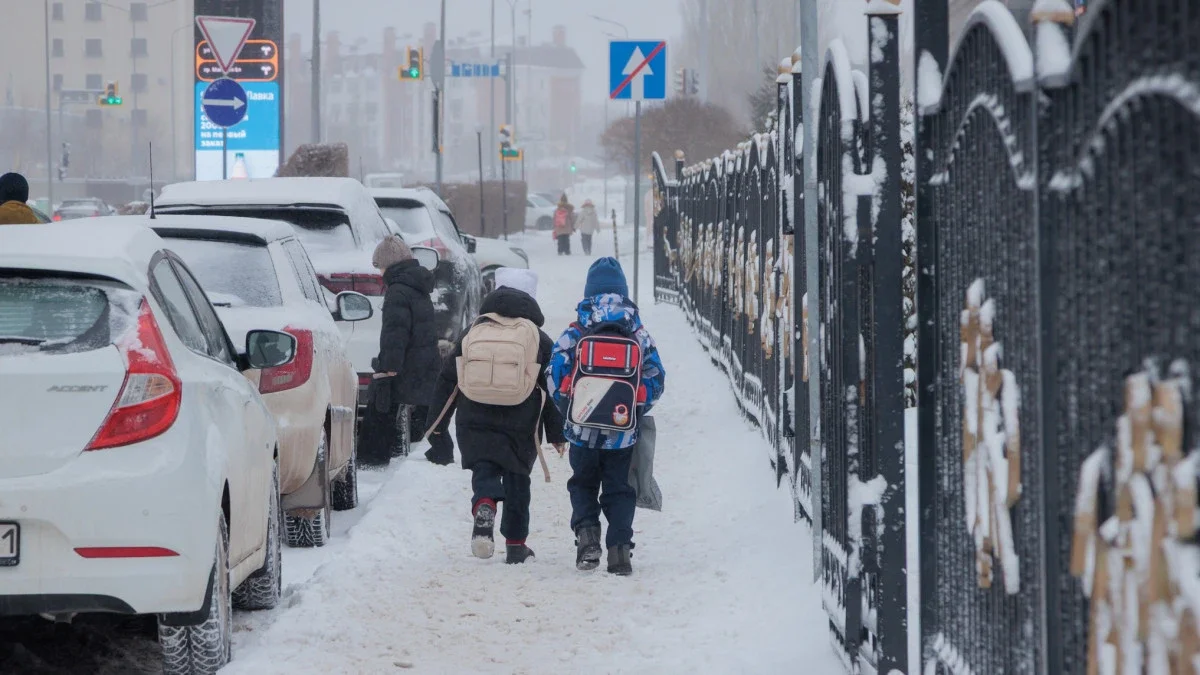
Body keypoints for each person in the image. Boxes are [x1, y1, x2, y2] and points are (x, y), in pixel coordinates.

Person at [426, 268, 567, 564]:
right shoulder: (538, 338)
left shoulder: (473, 330)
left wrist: (436, 426)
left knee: (485, 469)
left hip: (474, 419)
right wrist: (557, 433)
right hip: (521, 423)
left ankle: (485, 504)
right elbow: (552, 388)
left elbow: (447, 380)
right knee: (518, 481)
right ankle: (516, 546)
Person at [548, 257, 666, 576]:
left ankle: (587, 536)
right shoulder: (637, 333)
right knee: (619, 490)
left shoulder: (576, 330)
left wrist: (567, 407)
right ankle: (619, 552)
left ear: (589, 292)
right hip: (622, 432)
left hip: (581, 430)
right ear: (623, 291)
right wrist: (637, 408)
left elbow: (554, 371)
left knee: (582, 484)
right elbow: (657, 376)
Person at [360, 235, 451, 467]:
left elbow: (395, 333)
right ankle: (441, 450)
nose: (379, 272)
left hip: (406, 363)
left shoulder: (397, 291)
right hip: (424, 360)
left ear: (389, 264)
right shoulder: (417, 285)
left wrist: (388, 367)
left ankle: (373, 457)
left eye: (379, 266)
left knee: (380, 405)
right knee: (428, 412)